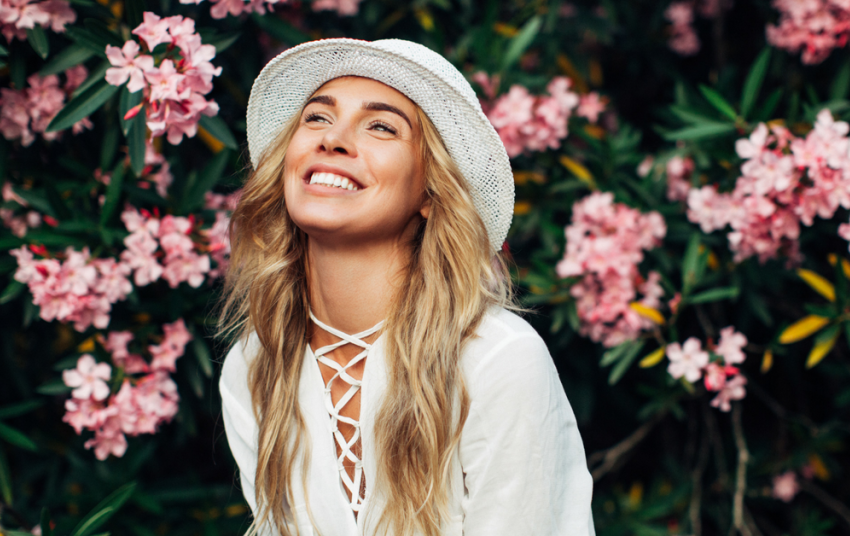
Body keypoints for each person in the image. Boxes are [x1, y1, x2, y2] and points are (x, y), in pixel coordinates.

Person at [218, 38, 595, 536]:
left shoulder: (496, 361)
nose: (333, 139)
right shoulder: (254, 365)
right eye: (316, 118)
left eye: (381, 127)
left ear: (429, 192)